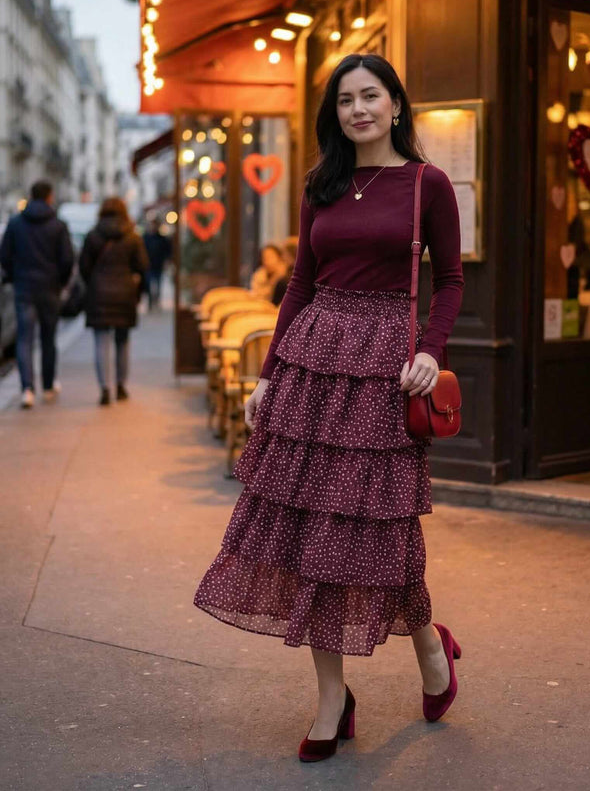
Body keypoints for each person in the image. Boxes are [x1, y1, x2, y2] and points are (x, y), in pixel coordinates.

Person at [194, 54, 464, 761]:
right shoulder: (323, 184)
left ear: (397, 105)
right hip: (314, 369)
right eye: (346, 100)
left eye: (371, 96)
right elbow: (298, 287)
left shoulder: (426, 185)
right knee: (310, 532)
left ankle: (431, 647)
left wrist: (431, 349)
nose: (359, 110)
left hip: (385, 371)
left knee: (379, 531)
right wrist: (269, 375)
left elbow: (454, 281)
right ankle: (331, 697)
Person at [0, 180, 74, 408]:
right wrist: (60, 282)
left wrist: (15, 276)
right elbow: (67, 259)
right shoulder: (58, 225)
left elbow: (5, 256)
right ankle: (49, 385)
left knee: (24, 338)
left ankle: (27, 389)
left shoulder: (15, 223)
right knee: (48, 338)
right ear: (50, 196)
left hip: (24, 288)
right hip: (50, 288)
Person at [79, 198, 149, 406]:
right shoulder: (132, 237)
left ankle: (104, 388)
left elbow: (83, 266)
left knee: (101, 341)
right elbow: (143, 266)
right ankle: (120, 386)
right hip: (125, 294)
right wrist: (138, 291)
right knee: (123, 340)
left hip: (99, 294)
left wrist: (94, 282)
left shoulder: (93, 236)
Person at [142, 218, 172, 310]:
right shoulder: (146, 237)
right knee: (149, 285)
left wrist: (166, 261)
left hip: (158, 264)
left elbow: (168, 251)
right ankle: (151, 302)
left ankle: (157, 301)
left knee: (158, 284)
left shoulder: (162, 238)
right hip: (148, 265)